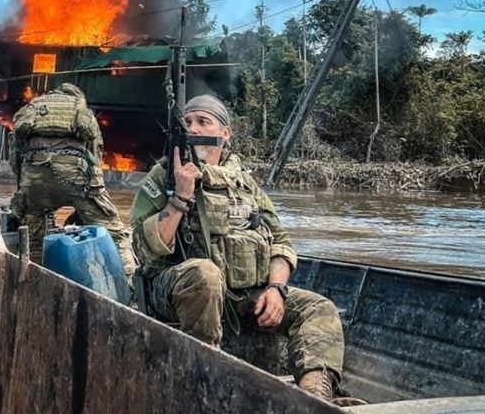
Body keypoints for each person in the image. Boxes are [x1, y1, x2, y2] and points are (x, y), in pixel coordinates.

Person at [130, 94, 361, 406]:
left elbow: (280, 241)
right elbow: (144, 249)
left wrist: (277, 288)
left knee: (317, 308)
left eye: (203, 122)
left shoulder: (245, 184)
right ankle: (205, 378)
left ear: (225, 134)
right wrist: (179, 199)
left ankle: (315, 397)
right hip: (174, 293)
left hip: (239, 297)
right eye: (187, 123)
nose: (194, 128)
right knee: (205, 273)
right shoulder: (165, 176)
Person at [9, 83, 136, 277]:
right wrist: (95, 195)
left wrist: (26, 188)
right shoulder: (82, 110)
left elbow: (15, 155)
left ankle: (33, 278)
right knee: (114, 231)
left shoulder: (33, 108)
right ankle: (130, 282)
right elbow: (95, 156)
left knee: (33, 237)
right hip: (75, 178)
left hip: (34, 179)